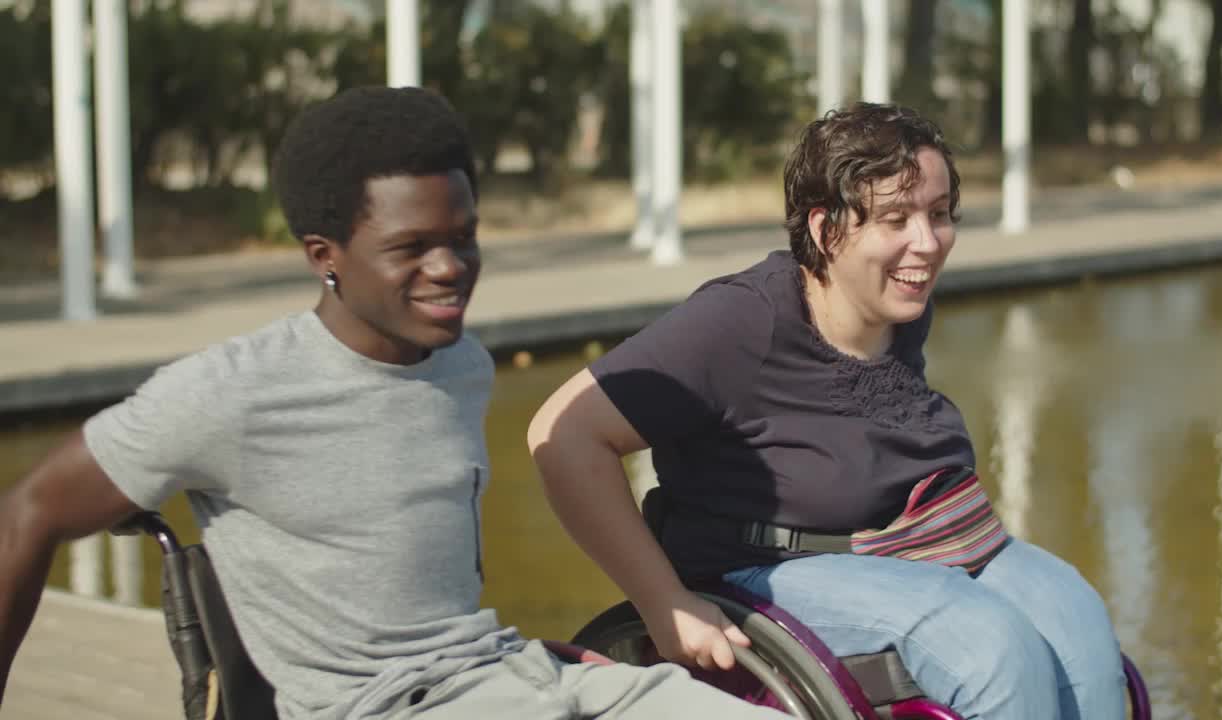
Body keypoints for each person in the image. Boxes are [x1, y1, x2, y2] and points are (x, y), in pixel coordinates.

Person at [0, 86, 789, 720]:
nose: (450, 268)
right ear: (325, 257)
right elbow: (28, 512)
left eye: (465, 237)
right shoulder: (229, 392)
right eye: (411, 248)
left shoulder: (462, 364)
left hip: (513, 677)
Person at [527, 103, 1128, 720]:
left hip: (918, 537)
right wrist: (664, 602)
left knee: (1080, 627)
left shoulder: (897, 295)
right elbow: (563, 432)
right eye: (896, 218)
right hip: (771, 562)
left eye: (940, 214)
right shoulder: (742, 321)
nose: (926, 243)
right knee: (991, 647)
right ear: (826, 230)